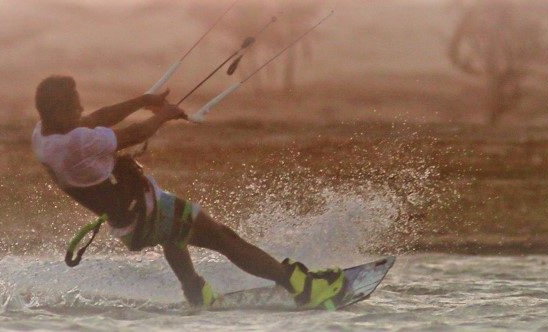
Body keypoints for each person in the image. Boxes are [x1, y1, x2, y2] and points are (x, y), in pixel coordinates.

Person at [30, 75, 344, 310]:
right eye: (74, 105)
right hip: (149, 212)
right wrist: (163, 116)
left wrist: (143, 101)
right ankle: (302, 287)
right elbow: (134, 134)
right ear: (57, 111)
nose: (82, 107)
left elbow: (95, 119)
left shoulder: (43, 136)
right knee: (224, 239)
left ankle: (196, 293)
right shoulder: (77, 143)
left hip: (130, 222)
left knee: (175, 235)